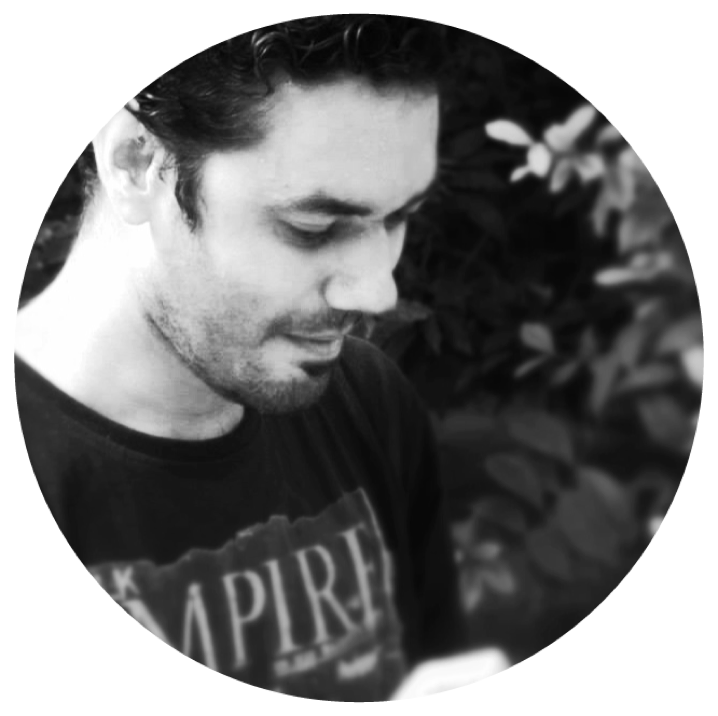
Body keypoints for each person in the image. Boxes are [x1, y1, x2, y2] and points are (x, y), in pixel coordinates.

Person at [14, 15, 470, 701]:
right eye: (313, 227)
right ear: (137, 162)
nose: (378, 291)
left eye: (399, 217)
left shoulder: (368, 397)